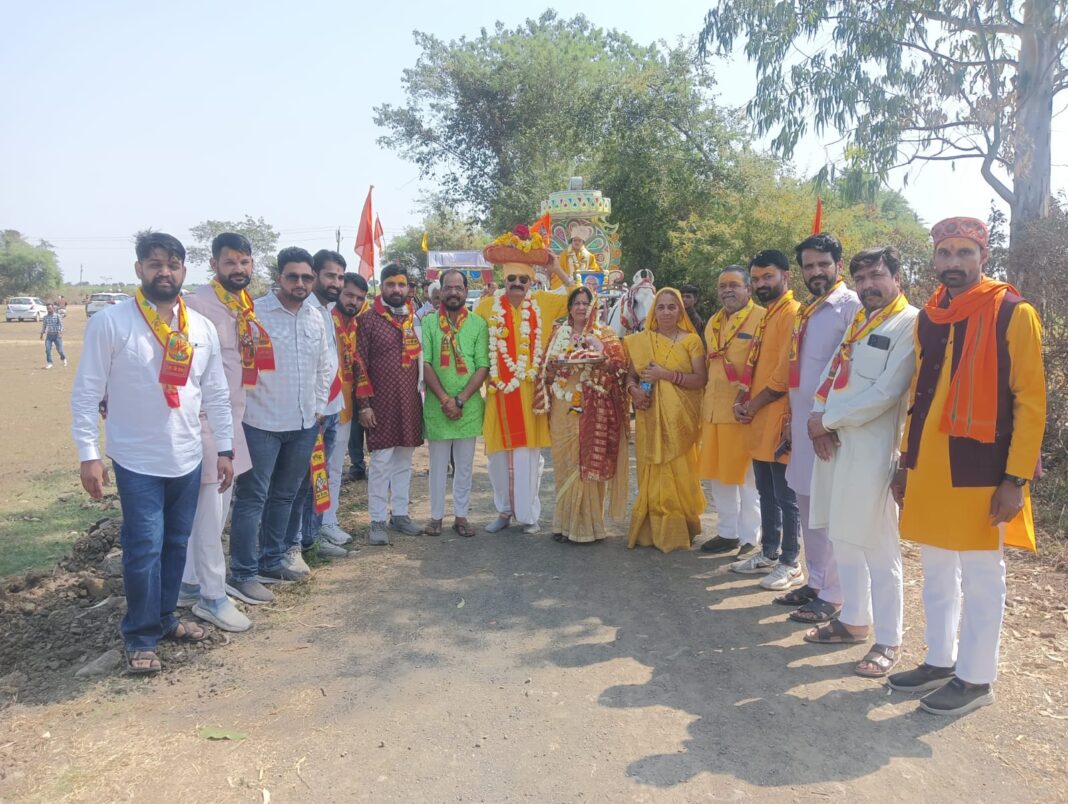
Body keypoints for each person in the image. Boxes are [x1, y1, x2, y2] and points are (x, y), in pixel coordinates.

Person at [888, 217, 1045, 716]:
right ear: (934, 259)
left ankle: (976, 679)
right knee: (936, 567)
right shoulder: (930, 316)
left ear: (983, 256)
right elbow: (919, 395)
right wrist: (905, 463)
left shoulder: (1013, 313)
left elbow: (1030, 402)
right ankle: (940, 659)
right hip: (931, 465)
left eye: (964, 253)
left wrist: (1015, 479)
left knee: (981, 573)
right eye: (945, 253)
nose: (953, 262)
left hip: (982, 466)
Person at [71, 231, 233, 674]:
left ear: (184, 270)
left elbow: (215, 391)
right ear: (139, 269)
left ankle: (165, 619)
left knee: (175, 543)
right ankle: (140, 636)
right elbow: (87, 392)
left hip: (187, 454)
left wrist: (224, 449)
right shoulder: (112, 322)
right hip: (136, 458)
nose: (165, 271)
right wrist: (89, 453)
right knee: (143, 547)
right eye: (155, 263)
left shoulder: (198, 327)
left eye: (173, 264)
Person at [803, 247, 918, 677]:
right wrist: (818, 415)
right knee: (844, 539)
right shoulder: (861, 321)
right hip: (833, 444)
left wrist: (826, 419)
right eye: (863, 278)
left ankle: (889, 640)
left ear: (896, 277)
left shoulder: (910, 323)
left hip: (871, 450)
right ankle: (853, 620)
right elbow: (832, 372)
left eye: (877, 275)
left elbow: (887, 391)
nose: (869, 285)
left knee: (877, 545)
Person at [737, 235, 861, 617]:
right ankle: (816, 581)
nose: (817, 272)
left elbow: (847, 369)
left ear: (839, 266)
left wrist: (827, 420)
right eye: (810, 266)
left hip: (830, 428)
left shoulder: (849, 307)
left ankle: (835, 595)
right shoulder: (810, 310)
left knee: (832, 511)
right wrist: (793, 418)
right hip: (803, 426)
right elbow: (799, 373)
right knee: (807, 503)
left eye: (824, 264)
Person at [227, 247, 334, 603]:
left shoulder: (316, 317)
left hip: (304, 422)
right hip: (260, 422)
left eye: (307, 277)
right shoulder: (253, 313)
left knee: (286, 495)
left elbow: (325, 366)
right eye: (293, 276)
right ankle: (243, 572)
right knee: (252, 497)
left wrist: (318, 407)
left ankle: (272, 561)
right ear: (279, 278)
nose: (300, 283)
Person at [178, 232, 267, 632]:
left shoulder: (244, 306)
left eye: (245, 262)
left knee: (211, 513)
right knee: (211, 514)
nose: (239, 269)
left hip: (233, 420)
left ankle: (189, 584)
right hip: (204, 423)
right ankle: (212, 596)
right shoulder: (196, 305)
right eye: (230, 262)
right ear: (213, 264)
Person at [476, 230, 573, 534]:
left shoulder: (543, 303)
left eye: (523, 280)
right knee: (497, 457)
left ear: (532, 283)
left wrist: (555, 269)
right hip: (498, 394)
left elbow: (582, 297)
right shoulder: (485, 307)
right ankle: (504, 512)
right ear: (503, 281)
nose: (517, 285)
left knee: (528, 458)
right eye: (511, 280)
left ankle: (528, 515)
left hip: (530, 394)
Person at [729, 250, 802, 583]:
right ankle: (769, 551)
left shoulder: (792, 313)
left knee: (787, 496)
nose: (761, 284)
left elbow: (784, 374)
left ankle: (790, 560)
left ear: (785, 277)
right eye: (756, 279)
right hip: (759, 416)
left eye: (767, 277)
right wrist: (744, 400)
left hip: (780, 416)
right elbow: (755, 366)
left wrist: (754, 404)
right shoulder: (767, 314)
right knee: (766, 491)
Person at [540, 286, 629, 543]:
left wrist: (601, 355)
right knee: (564, 462)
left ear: (594, 307)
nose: (581, 307)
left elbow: (619, 369)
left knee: (587, 460)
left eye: (585, 303)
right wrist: (554, 366)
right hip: (562, 405)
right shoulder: (559, 334)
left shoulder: (606, 335)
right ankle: (563, 524)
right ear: (569, 308)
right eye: (576, 303)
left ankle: (589, 527)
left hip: (593, 407)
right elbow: (545, 372)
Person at [624, 288, 707, 552]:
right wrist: (634, 392)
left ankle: (681, 528)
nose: (667, 312)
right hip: (649, 416)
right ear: (653, 312)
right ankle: (650, 529)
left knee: (681, 473)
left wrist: (666, 375)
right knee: (653, 470)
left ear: (680, 311)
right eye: (661, 307)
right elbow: (630, 376)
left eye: (672, 307)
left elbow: (700, 380)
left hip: (681, 421)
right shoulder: (641, 341)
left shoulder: (691, 341)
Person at [355, 264, 425, 545]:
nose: (397, 289)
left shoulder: (415, 321)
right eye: (391, 284)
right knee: (381, 463)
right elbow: (360, 364)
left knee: (404, 462)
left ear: (409, 288)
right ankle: (377, 521)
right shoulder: (368, 320)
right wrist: (364, 405)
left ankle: (400, 515)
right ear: (382, 287)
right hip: (379, 406)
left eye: (401, 284)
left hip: (409, 402)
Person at [699, 266, 764, 557]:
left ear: (749, 289)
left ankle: (751, 536)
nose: (727, 290)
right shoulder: (712, 321)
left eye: (734, 285)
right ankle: (727, 533)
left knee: (747, 477)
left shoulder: (761, 318)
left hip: (743, 412)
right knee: (718, 475)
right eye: (723, 285)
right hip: (713, 411)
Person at [286, 249, 347, 561]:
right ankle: (295, 542)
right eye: (329, 275)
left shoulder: (326, 309)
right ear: (315, 275)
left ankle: (312, 536)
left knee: (319, 477)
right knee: (303, 481)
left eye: (339, 276)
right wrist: (319, 407)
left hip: (332, 406)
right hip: (314, 411)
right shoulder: (304, 310)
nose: (335, 282)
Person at [420, 269, 489, 537]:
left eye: (458, 288)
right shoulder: (427, 323)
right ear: (441, 291)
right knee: (437, 466)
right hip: (437, 407)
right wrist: (446, 399)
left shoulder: (478, 324)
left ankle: (461, 516)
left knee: (464, 466)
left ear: (465, 290)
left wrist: (460, 400)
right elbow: (424, 362)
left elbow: (482, 365)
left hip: (469, 407)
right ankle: (436, 517)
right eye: (448, 288)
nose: (453, 292)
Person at [322, 272, 368, 539]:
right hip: (320, 409)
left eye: (359, 298)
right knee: (317, 470)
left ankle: (328, 522)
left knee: (335, 469)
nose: (353, 301)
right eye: (349, 295)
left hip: (344, 408)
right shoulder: (325, 320)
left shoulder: (355, 326)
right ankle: (312, 529)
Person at [552, 225, 601, 289]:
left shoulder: (590, 256)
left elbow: (595, 271)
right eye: (575, 240)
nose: (577, 242)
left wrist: (586, 275)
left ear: (583, 242)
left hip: (585, 285)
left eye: (579, 241)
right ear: (571, 242)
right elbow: (559, 270)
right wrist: (568, 279)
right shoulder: (564, 255)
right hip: (567, 283)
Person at [40, 303, 66, 368]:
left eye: (50, 308)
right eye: (48, 308)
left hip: (57, 335)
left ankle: (63, 358)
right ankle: (50, 363)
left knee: (60, 350)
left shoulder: (57, 316)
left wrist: (60, 332)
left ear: (53, 308)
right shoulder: (45, 317)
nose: (49, 309)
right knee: (47, 349)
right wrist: (42, 333)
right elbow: (44, 326)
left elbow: (61, 325)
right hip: (49, 335)